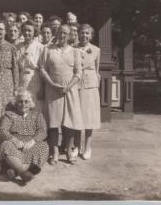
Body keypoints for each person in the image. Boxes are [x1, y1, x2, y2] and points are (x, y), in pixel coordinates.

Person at [39, 24, 83, 164]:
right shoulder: (48, 50)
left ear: (70, 35)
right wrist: (51, 84)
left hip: (69, 91)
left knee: (69, 121)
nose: (62, 35)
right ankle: (55, 152)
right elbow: (42, 69)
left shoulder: (75, 51)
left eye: (65, 33)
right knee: (53, 122)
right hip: (52, 90)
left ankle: (69, 151)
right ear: (56, 33)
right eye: (60, 32)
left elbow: (78, 73)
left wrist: (68, 87)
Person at [0, 90, 49, 183]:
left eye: (26, 101)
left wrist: (32, 141)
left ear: (30, 103)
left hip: (32, 144)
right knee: (5, 145)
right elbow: (2, 130)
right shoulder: (9, 115)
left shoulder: (37, 115)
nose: (23, 104)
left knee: (44, 146)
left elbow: (43, 131)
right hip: (15, 144)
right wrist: (14, 140)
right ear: (16, 103)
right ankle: (23, 172)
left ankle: (15, 171)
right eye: (20, 101)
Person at [76, 24, 101, 160]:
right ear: (78, 34)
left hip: (90, 86)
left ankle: (88, 147)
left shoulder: (96, 50)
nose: (84, 36)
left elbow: (96, 71)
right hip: (77, 85)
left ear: (91, 36)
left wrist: (95, 84)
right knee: (77, 116)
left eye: (87, 33)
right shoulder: (74, 49)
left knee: (89, 118)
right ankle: (77, 145)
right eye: (82, 33)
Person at [16, 21, 45, 111]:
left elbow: (43, 69)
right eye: (24, 30)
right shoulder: (17, 47)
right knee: (22, 107)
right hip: (21, 81)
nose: (27, 33)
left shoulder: (40, 47)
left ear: (34, 32)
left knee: (35, 107)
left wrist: (42, 88)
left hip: (35, 81)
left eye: (29, 30)